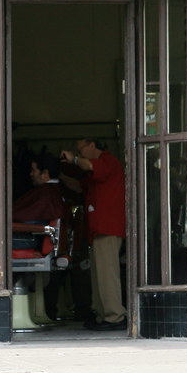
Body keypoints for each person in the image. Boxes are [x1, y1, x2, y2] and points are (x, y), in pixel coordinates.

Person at [61, 138, 126, 331]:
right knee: (99, 274)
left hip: (108, 227)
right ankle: (102, 314)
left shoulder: (108, 162)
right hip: (99, 228)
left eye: (80, 149)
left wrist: (73, 160)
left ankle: (115, 316)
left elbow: (87, 165)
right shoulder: (97, 171)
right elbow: (80, 187)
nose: (79, 153)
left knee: (107, 274)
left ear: (92, 145)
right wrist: (60, 176)